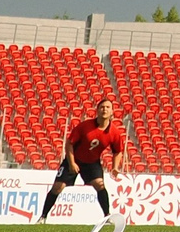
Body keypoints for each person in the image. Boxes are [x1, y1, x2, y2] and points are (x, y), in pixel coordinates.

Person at [41, 95, 129, 223]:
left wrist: (115, 167)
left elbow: (118, 151)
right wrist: (71, 163)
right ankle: (43, 217)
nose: (104, 110)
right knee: (58, 187)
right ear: (97, 110)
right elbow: (69, 144)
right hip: (74, 160)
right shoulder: (85, 126)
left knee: (100, 185)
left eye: (108, 107)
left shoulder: (114, 132)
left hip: (92, 163)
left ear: (112, 111)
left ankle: (107, 216)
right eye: (102, 107)